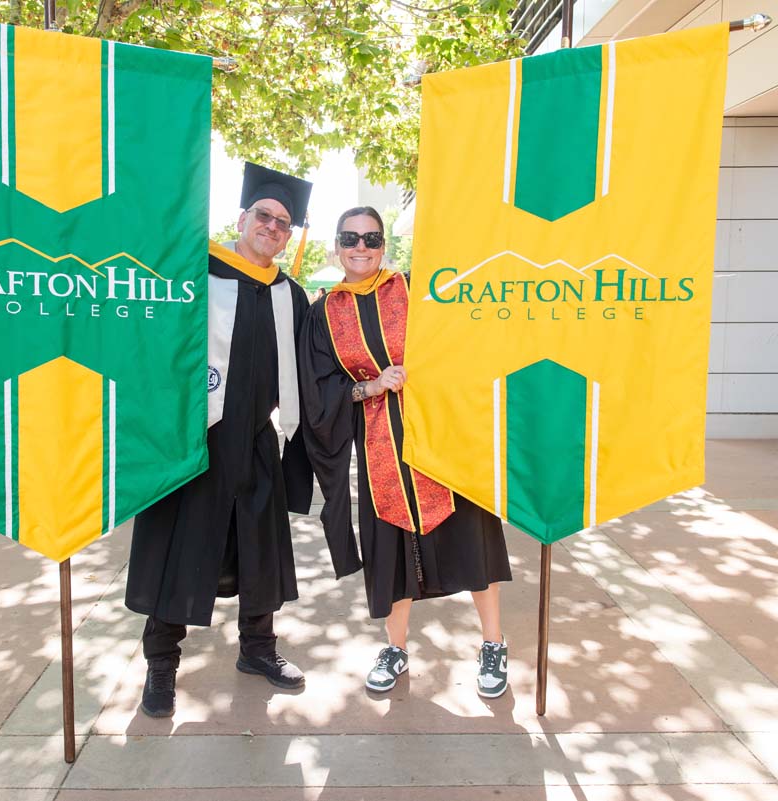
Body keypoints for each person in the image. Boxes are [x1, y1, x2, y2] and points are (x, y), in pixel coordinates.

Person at [298, 206, 513, 697]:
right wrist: (370, 386)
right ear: (336, 246)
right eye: (350, 237)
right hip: (381, 450)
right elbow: (317, 388)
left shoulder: (416, 289)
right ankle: (395, 648)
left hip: (443, 438)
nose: (361, 246)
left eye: (372, 238)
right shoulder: (323, 311)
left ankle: (493, 644)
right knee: (389, 551)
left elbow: (464, 341)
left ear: (384, 247)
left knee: (473, 539)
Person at [125, 163, 315, 718]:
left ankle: (258, 650)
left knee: (260, 553)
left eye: (283, 223)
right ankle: (161, 666)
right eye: (264, 216)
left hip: (257, 442)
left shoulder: (290, 295)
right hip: (195, 442)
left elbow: (308, 371)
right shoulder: (193, 275)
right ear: (243, 217)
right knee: (180, 551)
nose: (273, 228)